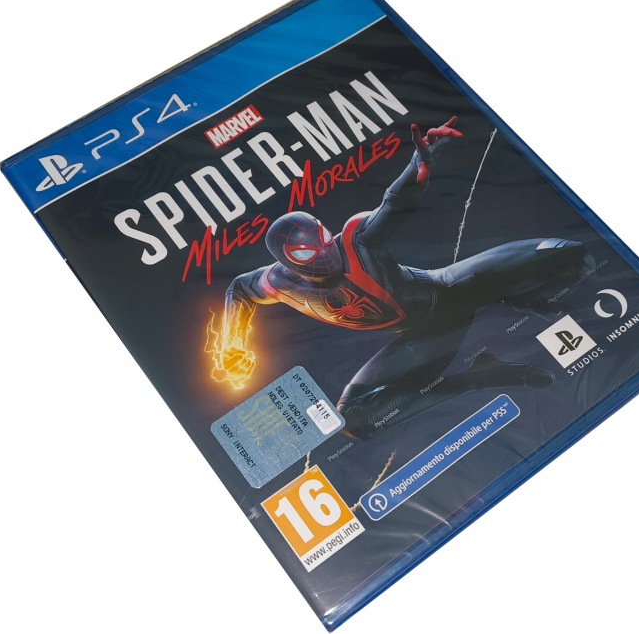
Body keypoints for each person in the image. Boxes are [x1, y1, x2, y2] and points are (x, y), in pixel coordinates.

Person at [220, 117, 591, 439]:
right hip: (423, 335)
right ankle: (482, 375)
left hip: (452, 288)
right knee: (351, 421)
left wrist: (419, 164)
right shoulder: (279, 283)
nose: (321, 251)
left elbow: (393, 204)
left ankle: (520, 297)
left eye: (321, 237)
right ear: (288, 262)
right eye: (305, 252)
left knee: (568, 252)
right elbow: (239, 289)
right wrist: (232, 343)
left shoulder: (356, 240)